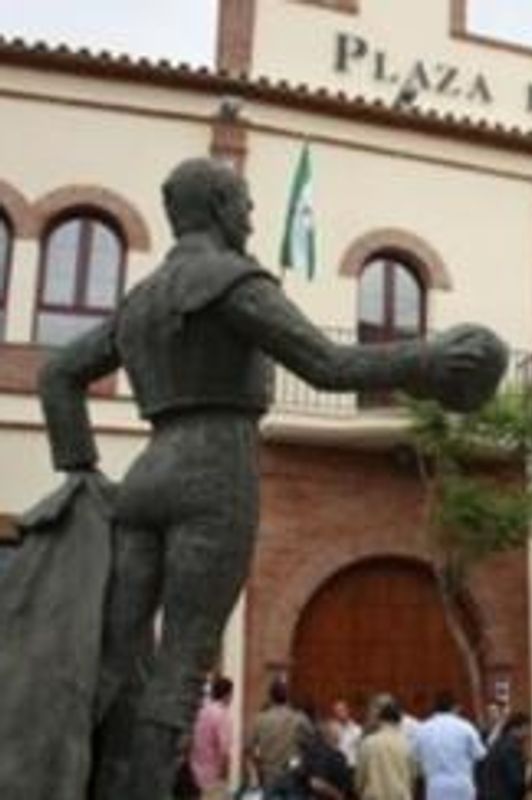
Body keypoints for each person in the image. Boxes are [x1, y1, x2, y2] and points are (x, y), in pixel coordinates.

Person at [39, 156, 507, 800]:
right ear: (224, 210)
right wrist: (427, 359)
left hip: (148, 467)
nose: (253, 218)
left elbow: (57, 374)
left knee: (114, 661)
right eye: (247, 206)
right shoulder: (234, 282)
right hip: (217, 466)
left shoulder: (140, 299)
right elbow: (327, 364)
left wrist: (80, 466)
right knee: (180, 665)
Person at [412, 691, 487, 800]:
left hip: (435, 786)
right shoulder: (465, 727)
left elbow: (415, 756)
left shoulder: (423, 729)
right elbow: (480, 754)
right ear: (455, 707)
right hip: (461, 784)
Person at [248, 679, 315, 798]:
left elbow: (249, 748)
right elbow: (312, 742)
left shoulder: (260, 720)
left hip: (269, 773)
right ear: (287, 696)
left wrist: (257, 767)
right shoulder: (298, 719)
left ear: (270, 697)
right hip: (291, 772)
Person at [356, 699, 417, 800]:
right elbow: (413, 778)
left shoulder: (368, 743)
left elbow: (359, 780)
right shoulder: (406, 744)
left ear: (380, 719)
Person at [189, 676, 235, 800]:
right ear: (227, 695)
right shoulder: (222, 714)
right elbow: (224, 750)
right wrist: (225, 778)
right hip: (213, 777)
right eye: (231, 694)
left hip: (194, 774)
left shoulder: (201, 711)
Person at [480, 712, 531, 800]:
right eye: (527, 728)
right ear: (516, 728)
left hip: (492, 794)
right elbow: (515, 779)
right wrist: (525, 792)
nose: (528, 732)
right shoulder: (511, 748)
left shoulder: (498, 742)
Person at [332, 700, 363, 768]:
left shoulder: (357, 729)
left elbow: (361, 749)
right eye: (337, 711)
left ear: (347, 710)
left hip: (353, 765)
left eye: (341, 710)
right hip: (338, 766)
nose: (339, 713)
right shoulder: (333, 730)